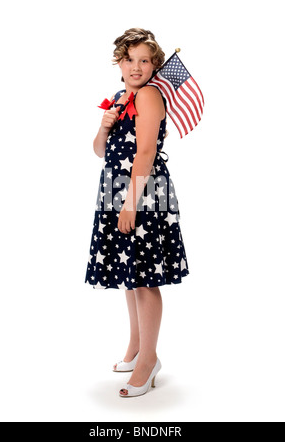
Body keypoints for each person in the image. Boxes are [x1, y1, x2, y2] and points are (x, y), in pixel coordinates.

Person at [84, 28, 190, 397]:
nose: (136, 66)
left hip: (141, 192)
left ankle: (149, 359)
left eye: (145, 60)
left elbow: (144, 152)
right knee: (130, 273)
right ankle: (136, 346)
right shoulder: (119, 97)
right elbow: (100, 150)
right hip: (115, 189)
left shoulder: (148, 96)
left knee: (144, 277)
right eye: (130, 59)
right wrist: (104, 126)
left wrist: (130, 203)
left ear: (154, 66)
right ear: (119, 61)